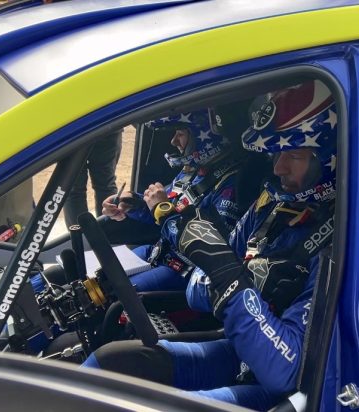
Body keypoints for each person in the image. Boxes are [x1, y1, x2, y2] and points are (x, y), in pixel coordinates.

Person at [82, 80, 338, 411]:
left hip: (273, 387)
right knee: (109, 363)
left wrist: (232, 279)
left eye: (294, 154)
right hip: (238, 351)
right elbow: (197, 287)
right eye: (277, 153)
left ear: (328, 157)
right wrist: (239, 281)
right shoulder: (271, 205)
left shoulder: (336, 240)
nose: (278, 168)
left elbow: (283, 372)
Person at [101, 109, 248, 292]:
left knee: (117, 294)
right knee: (100, 276)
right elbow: (163, 209)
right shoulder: (193, 171)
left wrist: (162, 209)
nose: (173, 141)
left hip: (188, 269)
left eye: (180, 134)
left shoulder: (232, 184)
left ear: (203, 136)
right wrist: (133, 203)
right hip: (160, 252)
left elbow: (213, 247)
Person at [63, 130, 122, 228]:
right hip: (106, 127)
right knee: (105, 185)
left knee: (73, 189)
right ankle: (108, 231)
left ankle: (79, 234)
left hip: (71, 130)